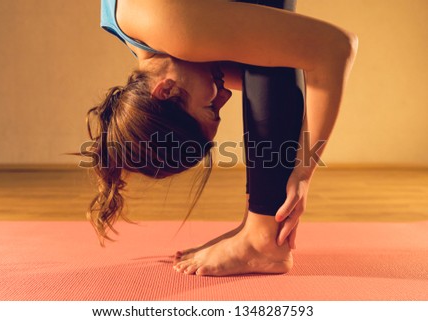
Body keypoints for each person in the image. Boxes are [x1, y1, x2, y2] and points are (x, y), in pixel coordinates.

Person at [87, 0, 357, 276]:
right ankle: (258, 230)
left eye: (211, 107)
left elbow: (333, 47)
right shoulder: (150, 38)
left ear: (166, 90)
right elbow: (285, 59)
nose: (225, 95)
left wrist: (303, 172)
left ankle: (262, 237)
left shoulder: (180, 31)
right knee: (272, 51)